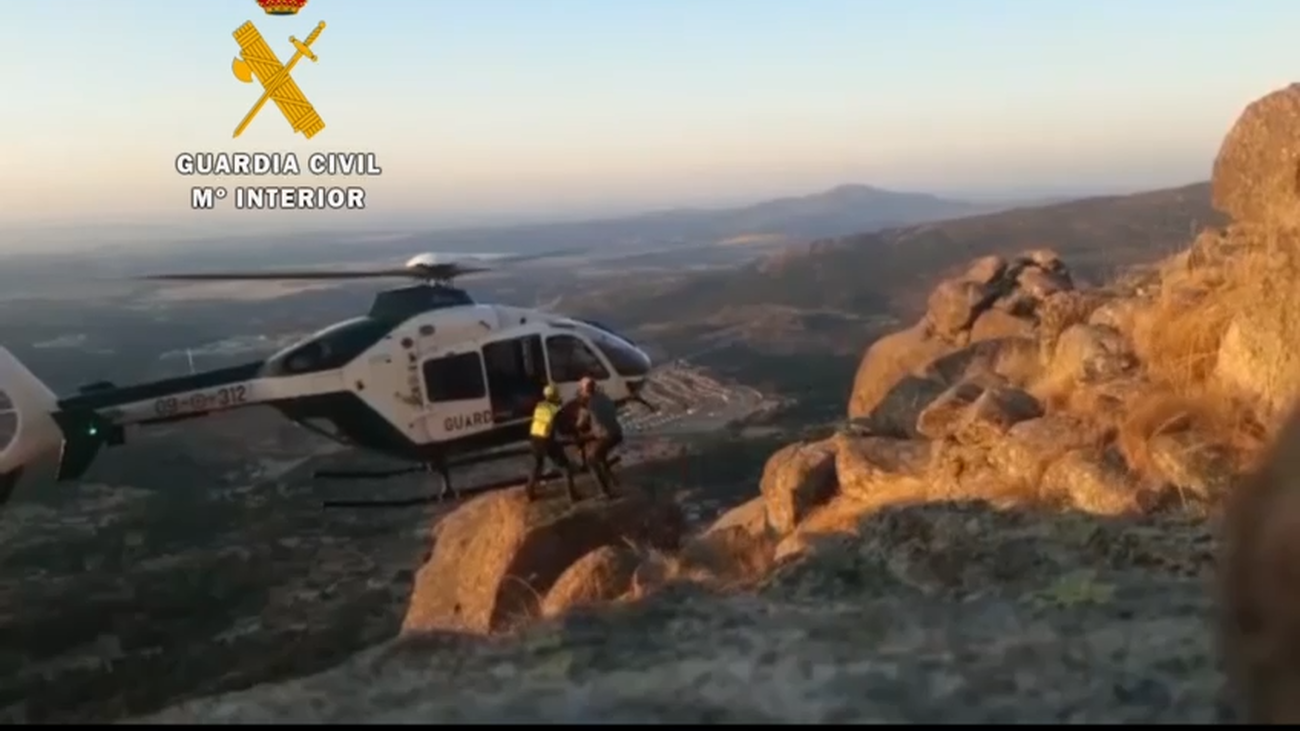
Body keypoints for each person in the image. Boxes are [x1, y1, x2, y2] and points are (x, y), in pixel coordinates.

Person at [524, 383, 578, 503]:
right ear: (556, 395)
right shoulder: (555, 410)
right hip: (547, 441)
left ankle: (529, 492)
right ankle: (572, 496)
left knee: (537, 466)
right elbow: (563, 429)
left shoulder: (539, 406)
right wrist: (574, 431)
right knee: (566, 468)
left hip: (534, 439)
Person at [575, 376, 623, 498]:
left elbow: (579, 425)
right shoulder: (605, 397)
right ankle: (613, 481)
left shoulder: (587, 404)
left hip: (606, 436)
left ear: (585, 390)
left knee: (591, 459)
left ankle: (605, 492)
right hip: (617, 432)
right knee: (600, 455)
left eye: (581, 389)